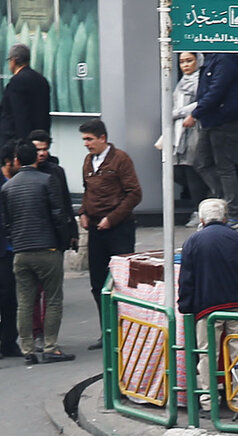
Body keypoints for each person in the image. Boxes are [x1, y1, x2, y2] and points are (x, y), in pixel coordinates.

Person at [177, 198, 238, 412]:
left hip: (207, 307)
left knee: (207, 356)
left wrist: (185, 307)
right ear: (224, 218)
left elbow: (186, 279)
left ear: (201, 220)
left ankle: (208, 403)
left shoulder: (192, 241)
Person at [1, 140, 72, 363]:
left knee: (25, 301)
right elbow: (58, 214)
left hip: (21, 250)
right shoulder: (46, 180)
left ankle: (28, 349)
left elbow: (6, 222)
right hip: (47, 247)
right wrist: (62, 243)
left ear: (17, 160)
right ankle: (50, 346)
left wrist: (17, 240)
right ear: (35, 158)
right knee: (52, 298)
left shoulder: (7, 187)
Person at [78, 119, 141, 350]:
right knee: (97, 283)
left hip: (118, 229)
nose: (86, 144)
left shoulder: (120, 159)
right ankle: (107, 331)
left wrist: (112, 218)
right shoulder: (88, 161)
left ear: (102, 138)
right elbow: (87, 190)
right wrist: (83, 212)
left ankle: (126, 331)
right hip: (95, 229)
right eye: (84, 139)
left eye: (89, 139)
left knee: (122, 282)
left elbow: (134, 193)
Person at [185, 51, 238, 228]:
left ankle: (234, 213)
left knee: (224, 166)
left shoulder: (225, 58)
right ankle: (222, 203)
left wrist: (195, 114)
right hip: (210, 119)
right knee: (201, 162)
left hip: (224, 119)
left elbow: (216, 90)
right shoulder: (210, 58)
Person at [166, 52, 208, 227]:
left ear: (198, 61)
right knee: (177, 170)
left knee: (191, 169)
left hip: (195, 128)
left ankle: (200, 210)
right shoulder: (182, 82)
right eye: (182, 61)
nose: (185, 65)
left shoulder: (202, 80)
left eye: (189, 61)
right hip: (179, 130)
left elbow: (202, 102)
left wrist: (178, 113)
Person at [0, 45, 50, 145]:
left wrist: (23, 145)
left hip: (16, 140)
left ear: (13, 61)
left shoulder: (17, 81)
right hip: (41, 137)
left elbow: (19, 115)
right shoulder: (41, 80)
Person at [0, 140, 17, 358]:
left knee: (12, 298)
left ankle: (9, 342)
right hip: (3, 248)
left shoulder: (17, 181)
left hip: (16, 249)